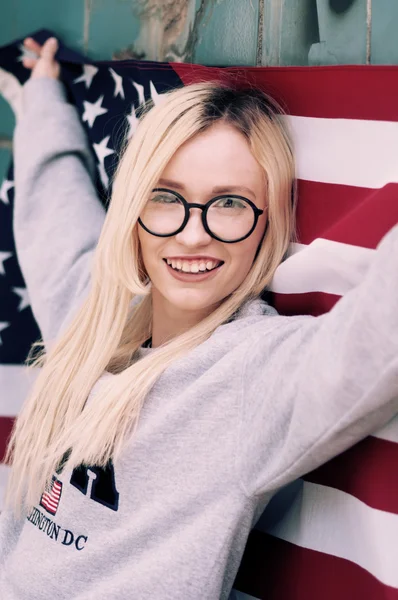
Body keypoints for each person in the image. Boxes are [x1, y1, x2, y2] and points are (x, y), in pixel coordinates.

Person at [0, 37, 397, 600]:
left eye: (230, 203)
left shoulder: (249, 376)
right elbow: (53, 223)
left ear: (268, 222)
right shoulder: (96, 323)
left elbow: (378, 337)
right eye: (167, 196)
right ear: (134, 208)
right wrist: (41, 97)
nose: (192, 233)